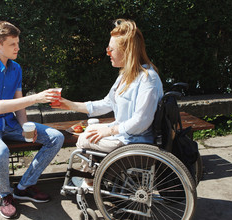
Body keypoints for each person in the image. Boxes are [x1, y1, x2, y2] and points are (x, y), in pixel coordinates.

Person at [0, 21, 64, 219]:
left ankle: (24, 186)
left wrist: (24, 126)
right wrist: (37, 97)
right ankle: (5, 195)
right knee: (0, 151)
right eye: (13, 44)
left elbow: (19, 103)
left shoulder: (16, 68)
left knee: (56, 137)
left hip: (10, 123)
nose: (17, 48)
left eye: (18, 43)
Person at [53, 19, 163, 153]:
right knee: (90, 130)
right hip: (125, 137)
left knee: (84, 138)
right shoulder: (125, 76)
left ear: (126, 51)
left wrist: (109, 131)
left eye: (111, 49)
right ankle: (93, 171)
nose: (107, 53)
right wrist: (69, 105)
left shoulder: (147, 78)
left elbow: (141, 121)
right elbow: (107, 103)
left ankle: (89, 171)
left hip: (134, 142)